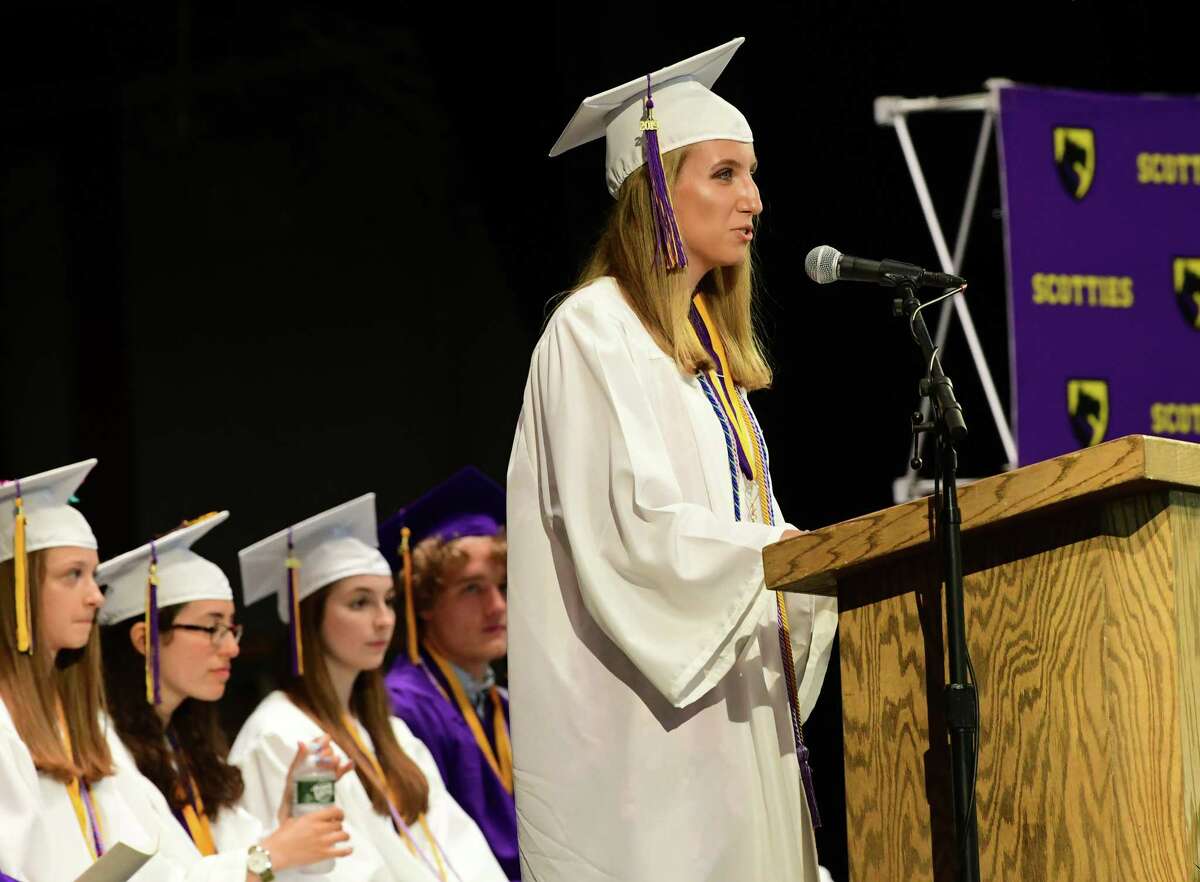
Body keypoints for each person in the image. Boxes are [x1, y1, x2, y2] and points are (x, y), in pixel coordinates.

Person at [506, 38, 839, 882]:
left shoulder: (702, 353)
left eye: (754, 175)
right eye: (725, 174)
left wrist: (790, 567)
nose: (754, 200)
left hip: (728, 715)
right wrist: (791, 561)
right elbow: (632, 531)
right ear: (654, 185)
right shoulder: (591, 332)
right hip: (647, 744)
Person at [230, 493, 506, 882]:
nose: (383, 620)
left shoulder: (392, 733)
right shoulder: (281, 735)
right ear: (310, 618)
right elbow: (314, 870)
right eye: (359, 603)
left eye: (389, 601)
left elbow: (459, 846)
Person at [97, 509, 353, 881]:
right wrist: (269, 854)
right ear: (143, 639)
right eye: (212, 628)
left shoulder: (187, 747)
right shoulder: (104, 754)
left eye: (232, 629)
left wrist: (286, 823)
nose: (232, 648)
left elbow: (240, 861)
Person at [0, 460, 179, 880]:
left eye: (94, 576)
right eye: (73, 576)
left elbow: (162, 858)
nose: (96, 597)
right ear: (16, 590)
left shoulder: (86, 724)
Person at [378, 468, 517, 880]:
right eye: (472, 588)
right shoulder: (402, 711)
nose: (497, 606)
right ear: (424, 601)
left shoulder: (503, 703)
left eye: (502, 585)